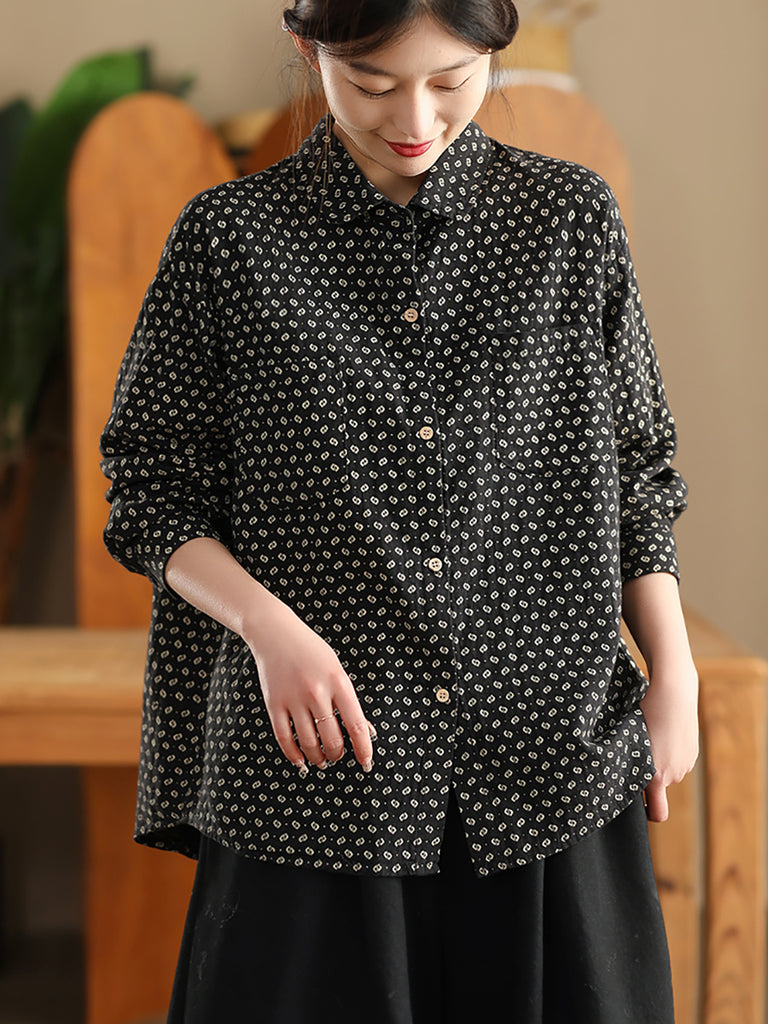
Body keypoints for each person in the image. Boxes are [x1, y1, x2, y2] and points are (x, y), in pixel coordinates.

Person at [99, 1, 700, 1021]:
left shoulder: (570, 221)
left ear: (493, 53)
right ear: (309, 50)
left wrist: (673, 671)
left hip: (547, 752)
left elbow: (638, 470)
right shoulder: (228, 241)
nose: (414, 118)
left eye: (452, 80)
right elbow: (151, 489)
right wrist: (269, 629)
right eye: (372, 84)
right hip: (318, 771)